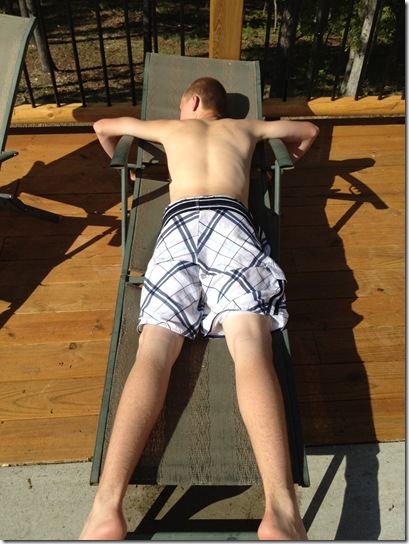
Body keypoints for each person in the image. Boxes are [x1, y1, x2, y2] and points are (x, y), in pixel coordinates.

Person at [79, 77, 319, 541]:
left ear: (190, 102)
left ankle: (106, 507)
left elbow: (103, 127)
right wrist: (285, 162)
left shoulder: (171, 128)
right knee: (251, 349)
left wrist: (132, 172)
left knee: (153, 353)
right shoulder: (246, 128)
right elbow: (307, 132)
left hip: (180, 226)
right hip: (231, 222)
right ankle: (281, 509)